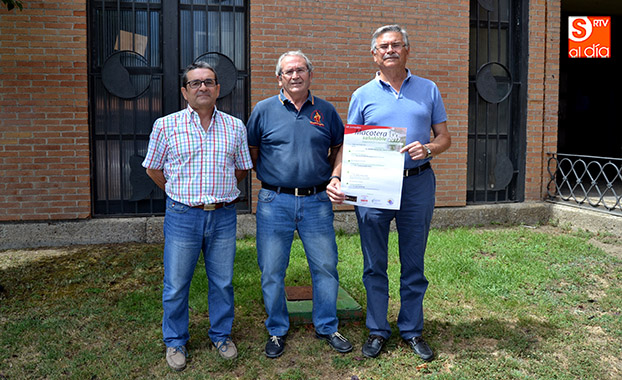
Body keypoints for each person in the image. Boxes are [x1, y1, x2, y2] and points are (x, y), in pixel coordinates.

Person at [327, 25, 452, 361]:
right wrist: (337, 177)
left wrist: (428, 148)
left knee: (414, 261)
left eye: (397, 45)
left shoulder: (428, 89)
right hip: (373, 188)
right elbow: (348, 146)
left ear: (407, 50)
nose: (390, 50)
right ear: (374, 55)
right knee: (374, 262)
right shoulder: (362, 94)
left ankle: (411, 329)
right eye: (384, 46)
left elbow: (445, 138)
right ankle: (377, 329)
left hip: (417, 184)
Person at [142, 61, 253, 371]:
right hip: (182, 216)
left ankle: (221, 334)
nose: (202, 87)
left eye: (208, 82)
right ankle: (175, 340)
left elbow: (242, 168)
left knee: (223, 281)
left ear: (218, 89)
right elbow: (152, 168)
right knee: (176, 283)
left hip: (222, 216)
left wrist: (220, 193)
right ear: (184, 91)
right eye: (195, 83)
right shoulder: (166, 126)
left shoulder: (235, 127)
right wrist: (178, 192)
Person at [246, 50, 352, 358]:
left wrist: (335, 177)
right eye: (288, 71)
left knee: (325, 266)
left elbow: (340, 147)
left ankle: (327, 325)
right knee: (271, 270)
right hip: (273, 201)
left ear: (310, 74)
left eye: (300, 70)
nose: (295, 75)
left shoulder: (326, 111)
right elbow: (253, 151)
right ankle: (277, 329)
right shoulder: (263, 110)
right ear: (279, 78)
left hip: (317, 201)